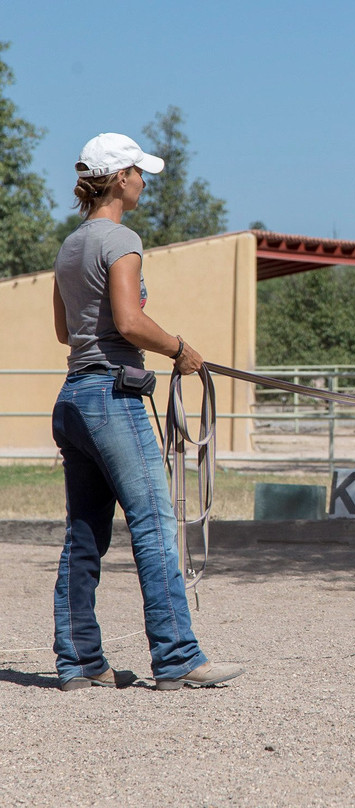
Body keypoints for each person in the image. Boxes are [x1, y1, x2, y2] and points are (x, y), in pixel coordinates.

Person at [51, 132, 243, 692]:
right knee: (156, 524)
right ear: (118, 179)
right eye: (138, 173)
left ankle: (79, 662)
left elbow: (64, 330)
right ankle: (178, 656)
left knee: (83, 533)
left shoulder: (69, 246)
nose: (143, 182)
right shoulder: (122, 239)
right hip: (113, 396)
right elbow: (130, 324)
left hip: (73, 398)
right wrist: (181, 349)